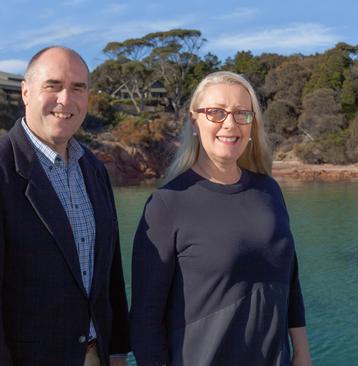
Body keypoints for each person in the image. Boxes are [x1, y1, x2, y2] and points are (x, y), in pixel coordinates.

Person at [130, 71, 312, 366]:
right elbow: (145, 319)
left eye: (242, 114)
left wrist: (302, 353)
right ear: (194, 120)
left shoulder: (269, 191)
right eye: (216, 112)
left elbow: (290, 281)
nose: (230, 123)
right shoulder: (167, 204)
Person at [0, 46, 130, 366]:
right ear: (26, 93)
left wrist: (116, 351)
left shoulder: (94, 169)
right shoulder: (3, 167)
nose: (66, 99)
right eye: (53, 85)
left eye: (78, 88)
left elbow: (110, 270)